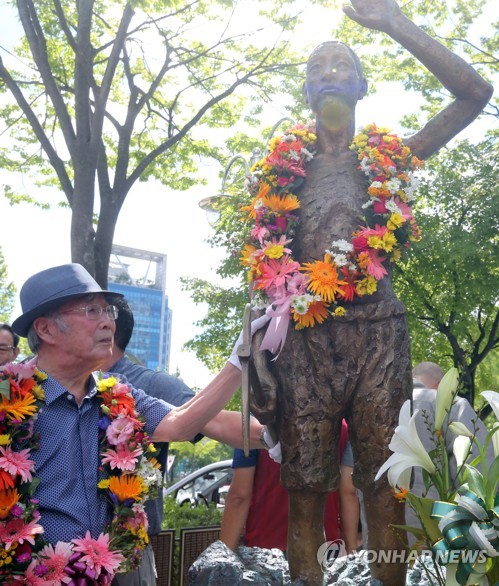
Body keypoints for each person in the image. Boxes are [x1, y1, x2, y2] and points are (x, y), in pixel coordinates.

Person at [248, 1, 493, 583]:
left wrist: (394, 25)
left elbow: (474, 93)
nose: (331, 69)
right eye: (319, 63)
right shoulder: (283, 175)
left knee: (386, 481)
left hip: (378, 332)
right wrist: (257, 356)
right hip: (303, 338)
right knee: (305, 484)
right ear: (307, 88)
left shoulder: (389, 161)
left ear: (361, 84)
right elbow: (262, 274)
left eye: (344, 62)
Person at [8, 263, 266, 584]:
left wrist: (239, 358)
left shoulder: (118, 393)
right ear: (45, 330)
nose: (107, 323)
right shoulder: (7, 397)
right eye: (91, 311)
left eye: (108, 311)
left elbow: (180, 424)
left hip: (117, 569)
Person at [102, 298, 270, 585]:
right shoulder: (28, 389)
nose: (97, 320)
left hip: (127, 553)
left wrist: (274, 435)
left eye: (100, 311)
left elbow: (207, 420)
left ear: (109, 329)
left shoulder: (143, 385)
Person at [220, 420, 360, 554]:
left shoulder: (254, 423)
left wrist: (224, 559)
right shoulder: (342, 426)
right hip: (324, 547)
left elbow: (239, 496)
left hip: (267, 547)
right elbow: (349, 492)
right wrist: (351, 550)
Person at [409, 361, 492, 543]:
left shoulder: (372, 405)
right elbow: (475, 469)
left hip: (380, 543)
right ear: (440, 385)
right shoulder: (449, 403)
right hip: (437, 533)